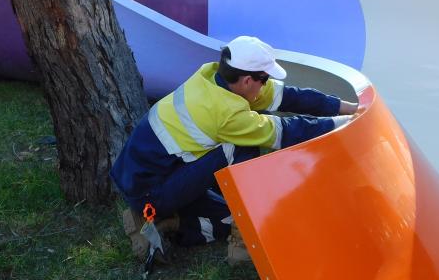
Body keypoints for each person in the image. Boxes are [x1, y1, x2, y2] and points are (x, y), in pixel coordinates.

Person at [110, 36, 357, 263]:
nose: (267, 84)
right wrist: (347, 124)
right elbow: (286, 131)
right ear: (249, 80)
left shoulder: (215, 77)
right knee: (243, 146)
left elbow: (290, 97)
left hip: (146, 173)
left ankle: (167, 221)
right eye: (265, 79)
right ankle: (238, 244)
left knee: (227, 215)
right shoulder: (226, 114)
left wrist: (346, 108)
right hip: (150, 190)